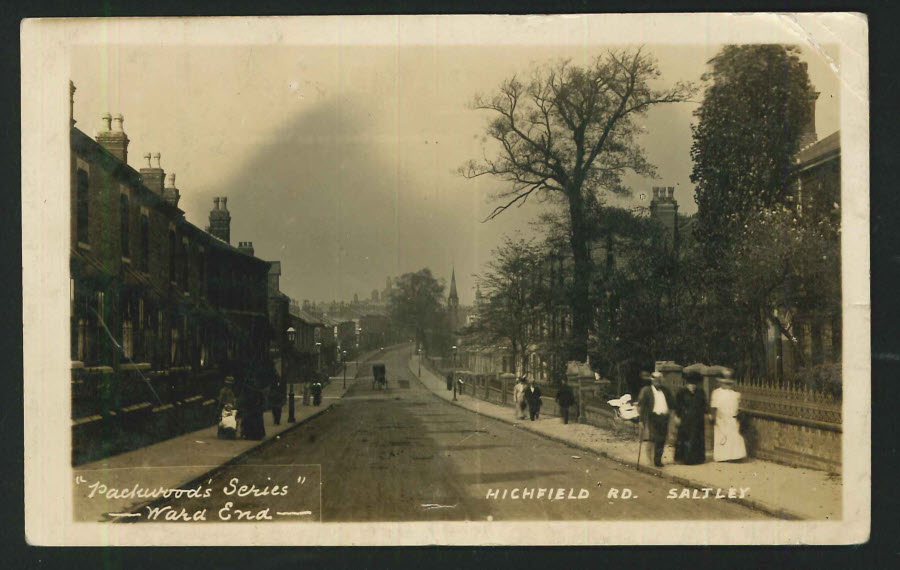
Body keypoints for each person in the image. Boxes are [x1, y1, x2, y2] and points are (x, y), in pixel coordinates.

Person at [638, 371, 675, 467]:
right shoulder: (646, 391)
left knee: (662, 439)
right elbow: (642, 407)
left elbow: (672, 403)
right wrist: (641, 420)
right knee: (652, 438)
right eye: (655, 380)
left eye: (659, 380)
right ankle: (649, 460)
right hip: (652, 417)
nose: (657, 382)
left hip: (664, 418)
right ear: (652, 380)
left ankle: (657, 461)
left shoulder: (666, 391)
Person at [709, 370, 747, 462]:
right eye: (725, 383)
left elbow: (738, 406)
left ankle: (735, 456)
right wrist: (713, 416)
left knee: (733, 436)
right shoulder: (717, 393)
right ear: (721, 383)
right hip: (721, 418)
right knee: (722, 437)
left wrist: (738, 413)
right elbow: (714, 406)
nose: (727, 386)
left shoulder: (735, 394)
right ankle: (723, 456)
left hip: (732, 417)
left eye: (729, 384)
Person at [674, 371, 707, 465]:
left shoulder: (700, 392)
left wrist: (707, 413)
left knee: (697, 438)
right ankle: (685, 459)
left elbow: (704, 404)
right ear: (687, 383)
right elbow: (678, 405)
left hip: (698, 419)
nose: (692, 386)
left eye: (694, 384)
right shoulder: (681, 392)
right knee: (686, 438)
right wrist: (677, 416)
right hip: (686, 418)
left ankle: (698, 459)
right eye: (690, 384)